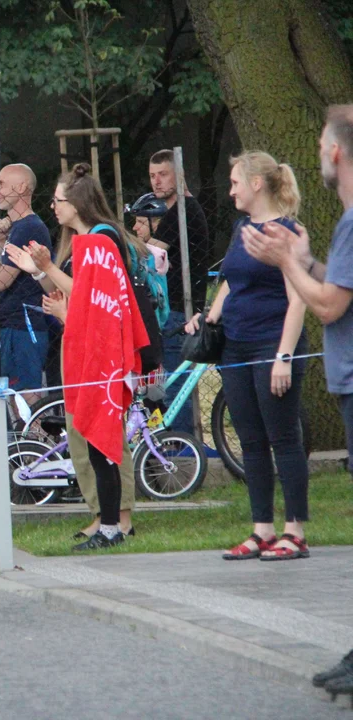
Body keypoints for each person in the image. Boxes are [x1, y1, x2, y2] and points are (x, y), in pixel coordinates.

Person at [241, 105, 353, 696]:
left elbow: (325, 305)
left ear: (336, 153)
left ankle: (293, 528)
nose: (314, 155)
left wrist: (289, 260)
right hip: (337, 378)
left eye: (318, 146)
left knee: (283, 439)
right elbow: (333, 286)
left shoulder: (343, 222)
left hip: (326, 370)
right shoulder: (341, 227)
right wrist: (305, 259)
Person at [7, 163, 154, 547]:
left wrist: (47, 269)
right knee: (84, 437)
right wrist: (39, 272)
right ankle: (103, 517)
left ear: (76, 202)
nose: (53, 207)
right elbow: (77, 290)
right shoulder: (80, 242)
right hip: (79, 347)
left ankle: (116, 521)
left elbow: (92, 297)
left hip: (99, 357)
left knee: (104, 440)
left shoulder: (100, 241)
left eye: (57, 201)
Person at [185, 151, 309, 562]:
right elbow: (231, 282)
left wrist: (284, 357)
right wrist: (208, 318)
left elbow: (298, 301)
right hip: (235, 345)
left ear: (257, 183)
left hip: (272, 344)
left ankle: (295, 531)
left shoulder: (290, 233)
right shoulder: (242, 228)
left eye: (236, 181)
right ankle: (262, 530)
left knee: (284, 437)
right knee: (251, 441)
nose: (231, 189)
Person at [148, 149, 212, 435]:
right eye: (152, 176)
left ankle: (181, 448)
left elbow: (150, 254)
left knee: (173, 385)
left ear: (180, 176)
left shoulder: (182, 212)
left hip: (179, 310)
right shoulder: (175, 212)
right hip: (174, 308)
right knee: (165, 384)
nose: (156, 182)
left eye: (163, 175)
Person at [0, 163, 52, 404]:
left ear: (21, 187)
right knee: (11, 397)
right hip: (13, 324)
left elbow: (1, 281)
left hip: (23, 327)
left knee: (27, 399)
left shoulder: (28, 227)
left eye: (1, 184)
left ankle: (36, 440)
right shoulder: (17, 228)